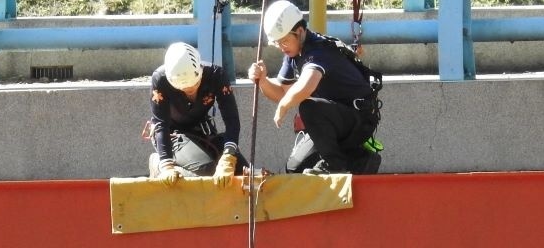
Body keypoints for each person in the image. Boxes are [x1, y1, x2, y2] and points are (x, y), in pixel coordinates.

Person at [246, 0, 382, 176]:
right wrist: (262, 80)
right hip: (336, 119)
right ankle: (359, 159)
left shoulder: (318, 50)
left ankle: (335, 164)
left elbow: (306, 86)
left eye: (285, 41)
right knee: (295, 167)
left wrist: (284, 107)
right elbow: (283, 92)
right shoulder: (293, 54)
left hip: (359, 118)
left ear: (300, 32)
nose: (281, 47)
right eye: (277, 43)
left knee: (308, 107)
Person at [147, 42, 247, 185]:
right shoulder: (160, 79)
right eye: (183, 88)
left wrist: (228, 156)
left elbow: (231, 118)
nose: (189, 90)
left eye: (194, 83)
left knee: (241, 170)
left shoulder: (216, 75)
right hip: (172, 134)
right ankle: (157, 163)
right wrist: (166, 165)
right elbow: (161, 124)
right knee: (206, 169)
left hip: (202, 128)